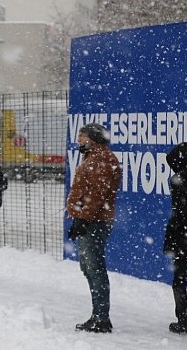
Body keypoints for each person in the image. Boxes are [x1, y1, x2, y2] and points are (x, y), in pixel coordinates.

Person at [66, 123, 121, 333]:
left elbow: (97, 194)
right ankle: (98, 315)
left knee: (95, 268)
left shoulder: (102, 160)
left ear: (93, 139)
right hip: (90, 220)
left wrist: (83, 218)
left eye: (82, 137)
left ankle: (101, 318)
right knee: (88, 267)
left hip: (94, 223)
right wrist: (79, 217)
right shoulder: (93, 158)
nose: (79, 140)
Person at [163, 142, 187, 334]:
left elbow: (179, 214)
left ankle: (183, 320)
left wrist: (171, 240)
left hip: (184, 238)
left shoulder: (178, 179)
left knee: (179, 280)